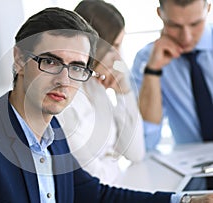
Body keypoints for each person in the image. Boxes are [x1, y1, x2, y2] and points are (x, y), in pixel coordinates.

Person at [0, 6, 213, 203]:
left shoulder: (52, 133)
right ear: (19, 60)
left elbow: (93, 194)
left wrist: (185, 201)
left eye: (77, 67)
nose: (64, 81)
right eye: (51, 62)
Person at [56, 0, 145, 186]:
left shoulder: (94, 86)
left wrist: (124, 90)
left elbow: (135, 152)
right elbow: (92, 180)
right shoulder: (63, 100)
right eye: (116, 45)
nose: (119, 56)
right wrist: (112, 162)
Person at [131, 0, 213, 150]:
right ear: (160, 14)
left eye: (195, 24)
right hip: (191, 169)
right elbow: (145, 143)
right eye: (175, 25)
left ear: (208, 9)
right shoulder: (146, 59)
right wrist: (153, 71)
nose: (186, 37)